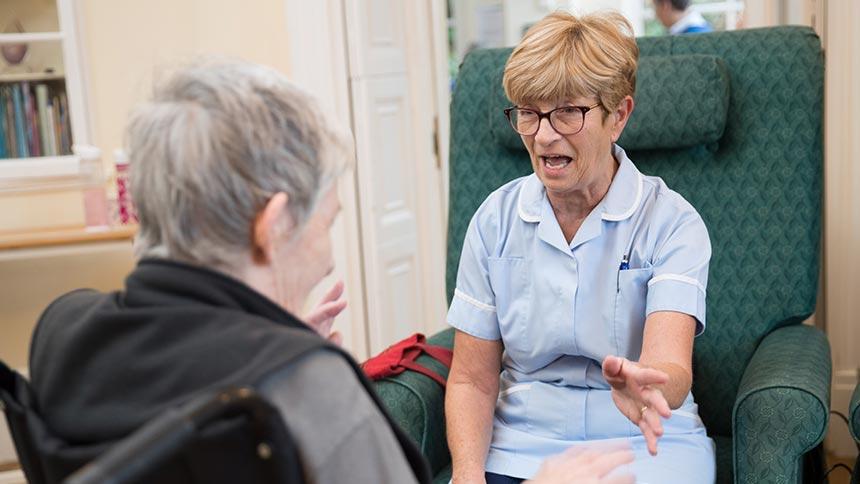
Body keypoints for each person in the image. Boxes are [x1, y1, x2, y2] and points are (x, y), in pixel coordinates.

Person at [28, 60, 633, 484]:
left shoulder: (61, 331)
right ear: (273, 225)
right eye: (326, 222)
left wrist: (259, 332)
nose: (327, 255)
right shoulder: (309, 392)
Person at [445, 11, 716, 484]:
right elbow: (471, 378)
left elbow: (669, 365)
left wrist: (647, 387)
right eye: (529, 112)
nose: (544, 135)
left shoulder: (673, 222)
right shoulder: (494, 219)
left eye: (569, 110)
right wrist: (467, 476)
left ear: (619, 116)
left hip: (641, 440)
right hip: (521, 443)